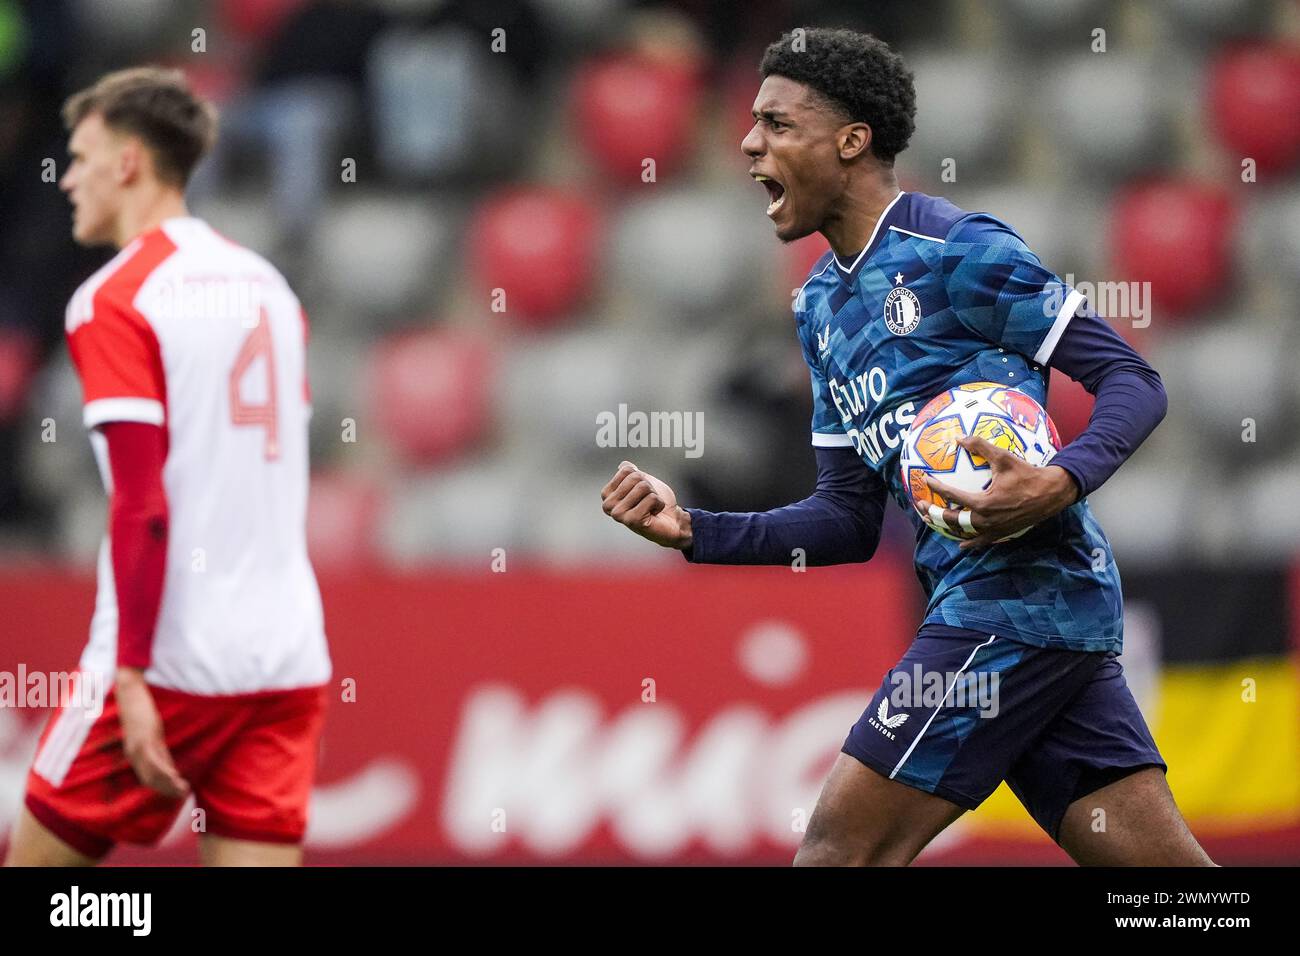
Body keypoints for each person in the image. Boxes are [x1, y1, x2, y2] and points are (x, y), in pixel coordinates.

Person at [600, 28, 1214, 866]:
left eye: (778, 123)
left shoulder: (958, 251)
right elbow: (846, 519)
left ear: (852, 140)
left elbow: (1133, 381)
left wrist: (1058, 482)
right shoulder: (818, 308)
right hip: (1037, 618)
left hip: (1013, 604)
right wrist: (696, 531)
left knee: (836, 852)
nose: (748, 143)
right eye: (752, 124)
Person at [4, 67, 330, 867]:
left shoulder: (115, 298)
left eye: (79, 157)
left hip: (173, 656)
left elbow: (143, 504)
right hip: (287, 657)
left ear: (128, 164)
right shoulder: (270, 287)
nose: (67, 178)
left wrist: (130, 673)